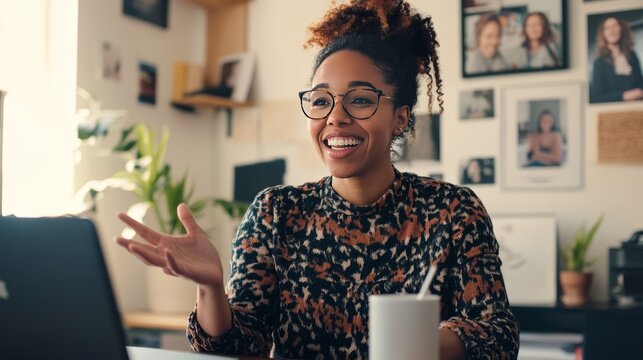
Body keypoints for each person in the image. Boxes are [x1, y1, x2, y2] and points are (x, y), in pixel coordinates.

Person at [116, 1, 519, 359]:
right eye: (321, 100)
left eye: (360, 99)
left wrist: (422, 342)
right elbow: (240, 343)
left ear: (400, 117)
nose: (335, 117)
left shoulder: (452, 211)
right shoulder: (277, 212)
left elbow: (497, 337)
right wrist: (209, 288)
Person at [590, 16, 643, 103]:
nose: (612, 30)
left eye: (615, 25)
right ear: (603, 34)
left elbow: (640, 83)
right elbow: (597, 96)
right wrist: (624, 95)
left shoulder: (632, 56)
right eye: (607, 28)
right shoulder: (599, 62)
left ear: (621, 29)